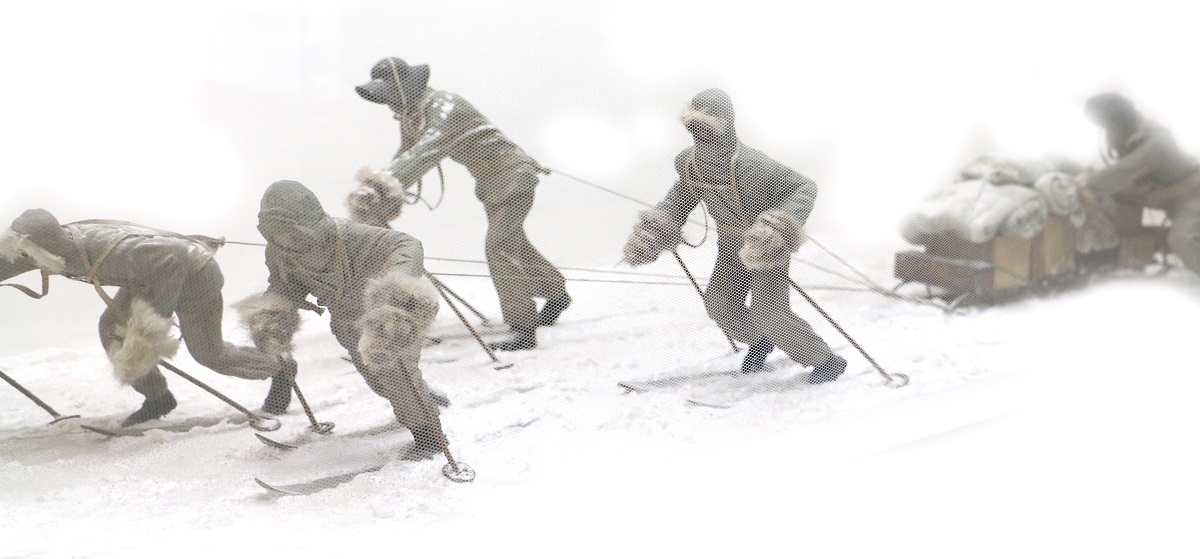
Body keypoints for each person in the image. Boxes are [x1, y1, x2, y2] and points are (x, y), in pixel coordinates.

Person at [622, 88, 847, 382]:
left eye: (706, 126)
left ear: (725, 122)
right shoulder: (689, 164)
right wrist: (656, 229)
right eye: (694, 128)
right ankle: (761, 340)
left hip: (764, 249)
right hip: (729, 247)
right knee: (719, 304)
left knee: (770, 312)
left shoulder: (754, 164)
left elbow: (804, 187)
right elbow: (679, 199)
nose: (700, 134)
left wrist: (776, 228)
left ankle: (826, 360)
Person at [350, 56, 570, 351]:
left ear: (402, 88)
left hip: (514, 176)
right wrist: (382, 186)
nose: (388, 104)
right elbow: (407, 152)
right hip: (492, 182)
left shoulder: (445, 106)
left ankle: (523, 328)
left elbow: (428, 148)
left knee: (499, 247)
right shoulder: (415, 114)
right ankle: (556, 294)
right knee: (514, 243)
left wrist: (381, 185)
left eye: (389, 95)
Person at [0, 210, 291, 426]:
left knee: (209, 354)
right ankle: (158, 398)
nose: (27, 256)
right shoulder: (51, 249)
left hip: (194, 276)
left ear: (43, 245)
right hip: (148, 276)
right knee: (112, 330)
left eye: (28, 250)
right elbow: (11, 260)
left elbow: (173, 258)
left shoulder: (107, 251)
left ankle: (280, 370)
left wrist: (153, 321)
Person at [237, 180, 447, 459]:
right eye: (275, 233)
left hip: (388, 325)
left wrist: (396, 287)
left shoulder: (352, 236)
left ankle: (430, 436)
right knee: (379, 382)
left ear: (307, 221)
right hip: (348, 327)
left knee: (396, 375)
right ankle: (423, 398)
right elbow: (285, 286)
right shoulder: (279, 253)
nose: (284, 240)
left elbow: (407, 244)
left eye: (289, 231)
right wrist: (273, 314)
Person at [1083, 92, 1200, 275]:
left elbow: (1121, 172)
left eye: (1108, 127)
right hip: (1165, 196)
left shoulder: (1156, 143)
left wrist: (1086, 182)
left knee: (1180, 239)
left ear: (1117, 124)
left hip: (1191, 197)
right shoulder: (1131, 130)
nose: (1107, 132)